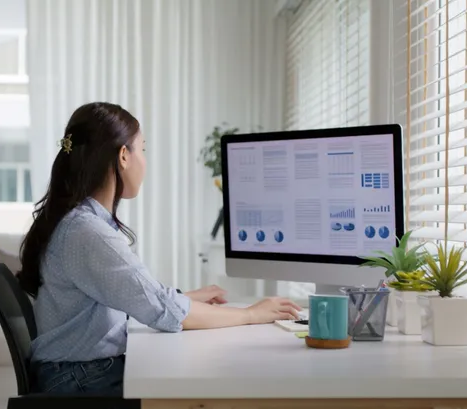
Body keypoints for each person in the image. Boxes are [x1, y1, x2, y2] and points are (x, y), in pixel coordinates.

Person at [17, 102, 301, 395]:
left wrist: (182, 299)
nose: (144, 160)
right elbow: (165, 312)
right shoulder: (87, 231)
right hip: (78, 377)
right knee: (212, 377)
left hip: (74, 371)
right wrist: (251, 315)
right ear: (123, 156)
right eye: (142, 149)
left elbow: (137, 296)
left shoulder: (81, 221)